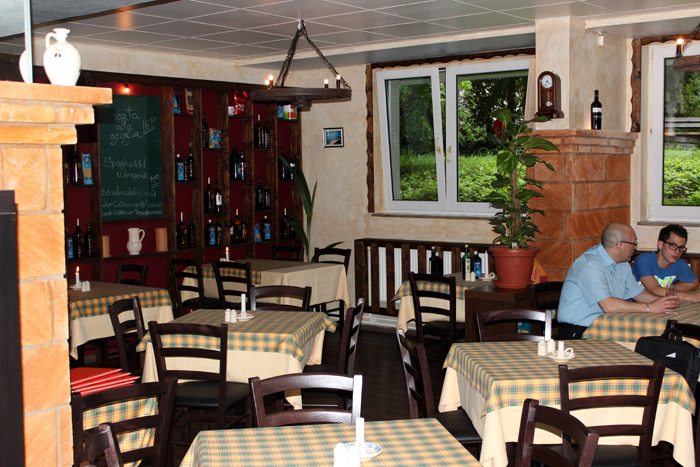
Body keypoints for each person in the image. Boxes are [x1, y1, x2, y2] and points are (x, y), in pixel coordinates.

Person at [557, 223, 679, 339]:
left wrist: (663, 303)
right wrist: (649, 308)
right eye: (634, 243)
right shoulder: (590, 264)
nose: (635, 248)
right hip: (578, 331)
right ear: (620, 245)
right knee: (646, 343)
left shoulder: (622, 263)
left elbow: (638, 294)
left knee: (652, 340)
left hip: (606, 326)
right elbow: (608, 305)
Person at [632, 224, 700, 302]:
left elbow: (694, 283)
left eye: (681, 248)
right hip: (632, 303)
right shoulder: (644, 260)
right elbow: (655, 290)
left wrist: (672, 289)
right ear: (660, 244)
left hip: (657, 303)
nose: (677, 251)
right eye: (673, 245)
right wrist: (689, 297)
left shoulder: (680, 264)